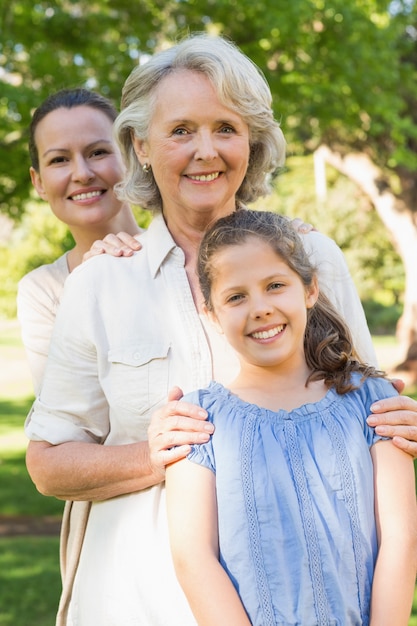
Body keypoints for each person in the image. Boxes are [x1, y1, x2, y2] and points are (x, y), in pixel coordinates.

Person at [23, 34, 417, 626]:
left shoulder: (311, 257)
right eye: (181, 130)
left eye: (226, 129)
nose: (206, 151)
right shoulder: (102, 283)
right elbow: (48, 463)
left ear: (251, 142)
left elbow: (364, 407)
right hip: (140, 605)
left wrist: (400, 418)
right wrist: (154, 455)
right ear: (141, 146)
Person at [166, 208, 417, 626]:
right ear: (211, 314)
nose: (260, 308)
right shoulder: (197, 423)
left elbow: (401, 539)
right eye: (236, 296)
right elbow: (193, 558)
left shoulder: (371, 403)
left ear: (310, 290)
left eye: (275, 285)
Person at [17, 88, 142, 395]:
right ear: (39, 182)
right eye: (59, 159)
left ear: (131, 156)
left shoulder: (180, 251)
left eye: (98, 152)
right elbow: (64, 424)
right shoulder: (43, 291)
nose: (82, 173)